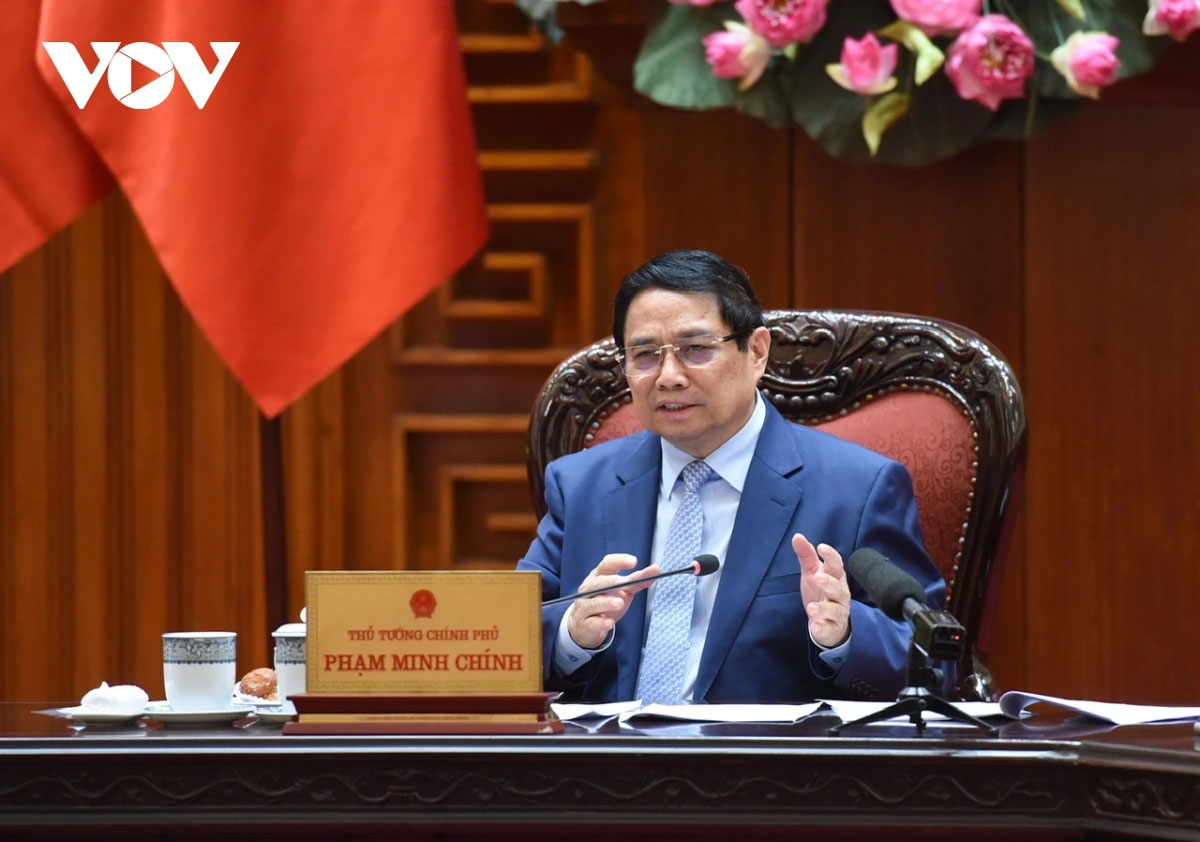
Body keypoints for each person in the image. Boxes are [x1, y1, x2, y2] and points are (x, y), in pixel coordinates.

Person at [516, 250, 947, 704]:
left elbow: (935, 659)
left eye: (695, 350)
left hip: (764, 751)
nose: (668, 377)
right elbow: (511, 636)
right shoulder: (579, 486)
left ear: (756, 351)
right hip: (607, 749)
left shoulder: (859, 489)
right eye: (644, 355)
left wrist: (844, 637)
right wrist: (571, 636)